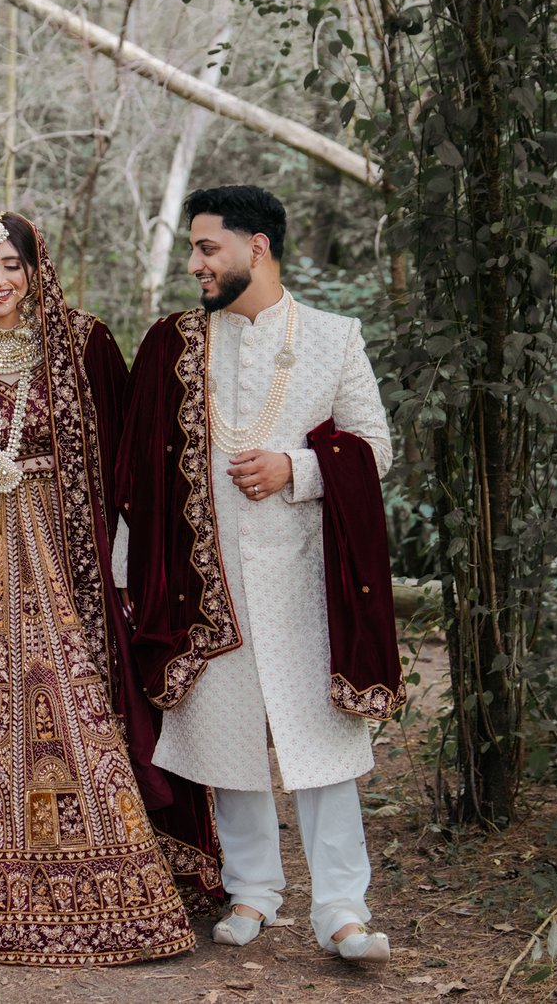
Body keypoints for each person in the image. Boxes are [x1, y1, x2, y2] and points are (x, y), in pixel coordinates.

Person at [0, 212, 216, 967]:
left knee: (69, 694)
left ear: (36, 268)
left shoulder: (81, 344)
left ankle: (110, 878)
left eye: (9, 263)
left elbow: (134, 451)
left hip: (61, 544)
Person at [116, 185, 406, 965]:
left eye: (208, 247)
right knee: (225, 735)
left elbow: (374, 446)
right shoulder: (173, 343)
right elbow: (138, 472)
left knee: (322, 745)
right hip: (200, 581)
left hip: (308, 583)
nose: (195, 263)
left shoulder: (333, 337)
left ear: (257, 247)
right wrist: (123, 575)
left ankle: (343, 909)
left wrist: (298, 467)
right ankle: (252, 888)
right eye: (193, 249)